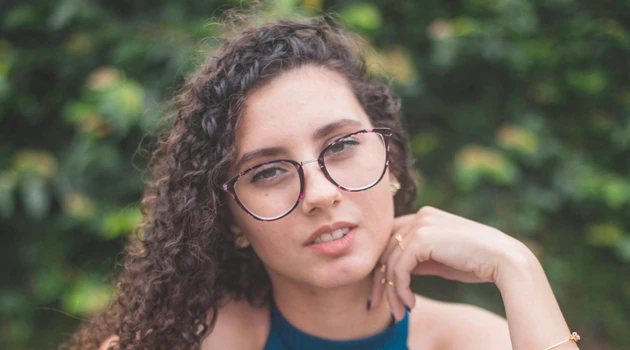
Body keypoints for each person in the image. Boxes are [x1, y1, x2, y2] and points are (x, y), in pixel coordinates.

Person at [64, 14, 581, 350]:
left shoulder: (481, 342)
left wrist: (516, 267)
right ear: (231, 218)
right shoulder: (178, 345)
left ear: (391, 162)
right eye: (267, 172)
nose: (321, 193)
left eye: (340, 145)